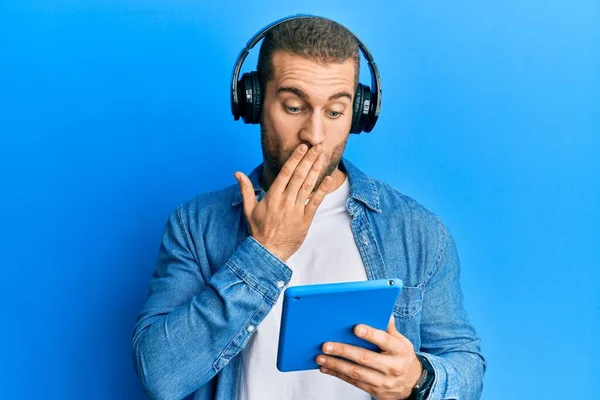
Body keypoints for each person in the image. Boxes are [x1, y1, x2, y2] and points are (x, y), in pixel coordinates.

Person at [132, 15, 486, 400]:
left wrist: (417, 379)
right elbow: (161, 376)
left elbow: (465, 364)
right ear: (253, 103)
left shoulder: (416, 231)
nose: (314, 136)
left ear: (359, 114)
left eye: (335, 112)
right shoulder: (196, 225)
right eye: (294, 107)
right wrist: (265, 253)